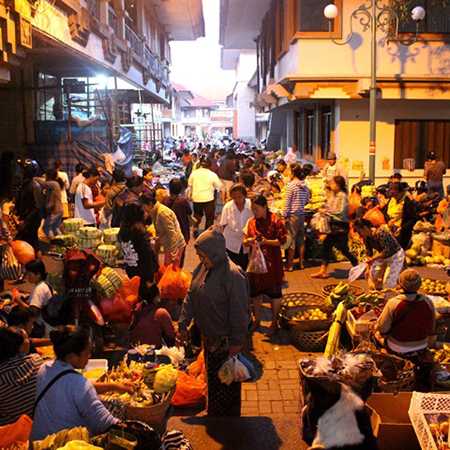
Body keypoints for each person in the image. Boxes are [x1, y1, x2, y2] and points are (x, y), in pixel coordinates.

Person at [179, 228, 250, 417]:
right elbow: (191, 294)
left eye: (204, 256)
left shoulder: (233, 275)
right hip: (209, 340)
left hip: (226, 345)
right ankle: (214, 415)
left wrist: (236, 343)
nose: (201, 260)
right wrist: (183, 321)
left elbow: (240, 313)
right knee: (212, 382)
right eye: (200, 256)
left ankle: (228, 424)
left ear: (216, 253)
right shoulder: (202, 268)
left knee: (227, 387)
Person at [31, 326, 129, 441]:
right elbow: (103, 422)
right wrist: (129, 429)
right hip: (63, 445)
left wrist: (114, 386)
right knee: (117, 407)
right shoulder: (78, 384)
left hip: (37, 442)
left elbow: (74, 388)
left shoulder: (44, 368)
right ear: (72, 356)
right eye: (87, 352)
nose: (90, 356)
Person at [243, 195, 287, 332]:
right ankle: (257, 320)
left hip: (272, 264)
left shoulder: (276, 220)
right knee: (256, 295)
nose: (254, 212)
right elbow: (244, 241)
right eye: (252, 209)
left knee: (275, 294)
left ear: (264, 207)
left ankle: (274, 322)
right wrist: (249, 241)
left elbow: (282, 241)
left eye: (256, 209)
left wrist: (265, 242)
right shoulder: (251, 222)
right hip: (256, 266)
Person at [376, 269, 435, 355]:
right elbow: (431, 327)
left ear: (400, 284)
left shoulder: (393, 302)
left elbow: (383, 328)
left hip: (398, 346)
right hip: (422, 345)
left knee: (375, 333)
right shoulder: (428, 301)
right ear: (419, 285)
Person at [312, 176, 358, 279]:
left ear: (338, 185)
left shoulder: (342, 196)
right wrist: (323, 208)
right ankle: (322, 270)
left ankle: (357, 266)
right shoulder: (334, 195)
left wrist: (327, 212)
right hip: (333, 225)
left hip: (340, 226)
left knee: (343, 249)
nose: (331, 185)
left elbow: (340, 212)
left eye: (333, 184)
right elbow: (330, 206)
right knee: (327, 246)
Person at [0, 327, 44, 425]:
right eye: (26, 339)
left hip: (11, 428)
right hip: (39, 422)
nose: (29, 341)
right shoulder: (36, 361)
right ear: (19, 346)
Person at [118, 203, 159, 300]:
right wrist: (152, 276)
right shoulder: (139, 236)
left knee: (135, 295)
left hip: (131, 271)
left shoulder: (123, 232)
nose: (145, 214)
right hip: (144, 275)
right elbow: (147, 257)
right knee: (146, 298)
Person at [353, 219, 405, 290]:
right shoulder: (366, 238)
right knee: (373, 274)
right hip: (382, 256)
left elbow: (388, 250)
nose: (359, 235)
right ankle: (378, 292)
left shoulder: (381, 232)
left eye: (359, 232)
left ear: (365, 228)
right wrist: (368, 268)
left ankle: (390, 294)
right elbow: (369, 253)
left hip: (395, 255)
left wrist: (373, 259)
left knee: (389, 282)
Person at [140, 190, 186, 268]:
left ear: (150, 204)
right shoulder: (155, 211)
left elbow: (172, 234)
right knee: (167, 269)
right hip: (169, 244)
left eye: (143, 206)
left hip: (175, 245)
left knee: (171, 271)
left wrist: (174, 254)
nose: (143, 209)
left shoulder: (162, 213)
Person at [283, 164, 311, 271]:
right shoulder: (305, 186)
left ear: (293, 173)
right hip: (301, 215)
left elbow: (287, 203)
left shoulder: (291, 186)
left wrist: (285, 216)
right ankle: (301, 263)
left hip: (292, 216)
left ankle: (289, 265)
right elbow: (307, 200)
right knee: (301, 240)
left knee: (291, 240)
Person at [220, 184, 254, 271]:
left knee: (246, 268)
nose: (237, 200)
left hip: (247, 244)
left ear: (244, 195)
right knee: (232, 270)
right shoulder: (227, 207)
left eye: (240, 196)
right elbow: (223, 225)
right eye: (234, 197)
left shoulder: (251, 205)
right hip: (231, 243)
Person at [188, 156, 223, 236]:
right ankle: (207, 234)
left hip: (196, 198)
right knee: (209, 218)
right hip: (208, 199)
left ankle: (195, 230)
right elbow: (219, 186)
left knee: (197, 216)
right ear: (209, 165)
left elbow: (190, 185)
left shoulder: (194, 173)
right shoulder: (212, 174)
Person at [15, 160, 43, 252]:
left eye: (22, 170)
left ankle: (37, 264)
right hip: (25, 220)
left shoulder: (35, 186)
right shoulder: (24, 185)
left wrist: (26, 222)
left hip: (31, 222)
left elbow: (37, 207)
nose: (20, 172)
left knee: (32, 244)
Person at [42, 168, 64, 238]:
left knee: (46, 228)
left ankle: (52, 243)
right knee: (55, 228)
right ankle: (60, 242)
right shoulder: (55, 184)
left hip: (55, 210)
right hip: (59, 210)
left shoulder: (53, 183)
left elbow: (43, 184)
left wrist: (34, 178)